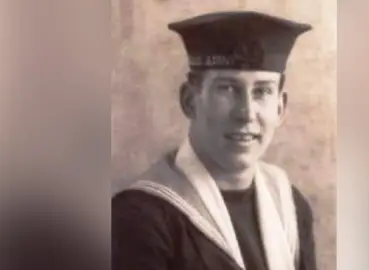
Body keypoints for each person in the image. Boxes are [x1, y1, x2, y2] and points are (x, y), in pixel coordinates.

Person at [113, 11, 317, 270]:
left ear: (280, 107)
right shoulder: (141, 216)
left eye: (262, 91)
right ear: (189, 101)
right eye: (227, 89)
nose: (246, 113)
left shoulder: (291, 206)